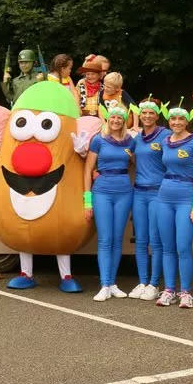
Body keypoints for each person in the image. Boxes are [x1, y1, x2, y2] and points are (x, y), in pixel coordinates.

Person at [155, 100, 193, 308]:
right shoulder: (166, 141)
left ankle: (185, 292)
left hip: (186, 196)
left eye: (181, 119)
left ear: (187, 121)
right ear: (169, 121)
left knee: (183, 247)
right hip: (164, 196)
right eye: (173, 118)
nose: (177, 122)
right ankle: (169, 290)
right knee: (167, 247)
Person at [83, 105, 135, 301]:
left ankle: (113, 283)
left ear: (124, 121)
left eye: (119, 118)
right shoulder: (98, 140)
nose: (116, 120)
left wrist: (134, 157)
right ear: (108, 119)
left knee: (117, 238)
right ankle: (104, 285)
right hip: (102, 190)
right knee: (105, 239)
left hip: (124, 190)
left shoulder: (131, 141)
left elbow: (139, 164)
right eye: (113, 117)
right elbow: (88, 169)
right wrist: (87, 200)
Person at [128, 97, 169, 300]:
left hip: (158, 193)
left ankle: (154, 284)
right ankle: (142, 282)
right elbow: (132, 159)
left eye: (151, 113)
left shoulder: (166, 135)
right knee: (141, 239)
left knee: (156, 239)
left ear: (157, 114)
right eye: (143, 112)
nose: (147, 116)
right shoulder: (136, 138)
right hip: (139, 192)